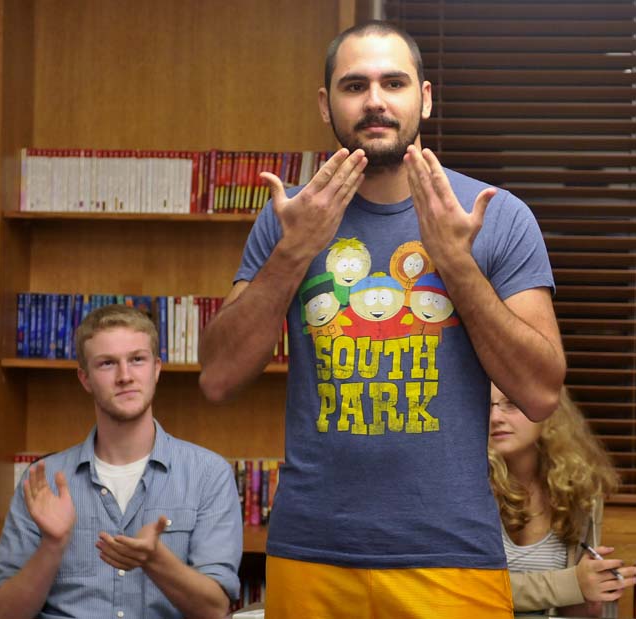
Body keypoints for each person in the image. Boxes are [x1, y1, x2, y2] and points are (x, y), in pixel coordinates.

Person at [199, 20, 566, 619]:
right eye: (354, 85)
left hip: (453, 554)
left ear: (423, 97)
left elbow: (541, 392)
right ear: (327, 105)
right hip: (311, 549)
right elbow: (217, 379)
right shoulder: (289, 218)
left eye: (393, 82)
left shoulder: (494, 216)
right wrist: (293, 251)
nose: (374, 100)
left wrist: (456, 263)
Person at [0, 305, 242, 619]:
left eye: (137, 359)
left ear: (156, 368)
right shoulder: (42, 479)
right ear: (85, 378)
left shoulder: (208, 474)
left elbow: (215, 610)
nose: (125, 376)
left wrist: (155, 560)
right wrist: (52, 545)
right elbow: (5, 614)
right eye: (107, 363)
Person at [489, 383, 636, 617]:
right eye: (486, 407)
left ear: (547, 412)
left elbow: (570, 607)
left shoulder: (579, 491)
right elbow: (462, 587)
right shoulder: (463, 488)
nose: (495, 417)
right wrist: (572, 585)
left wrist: (592, 596)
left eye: (512, 404)